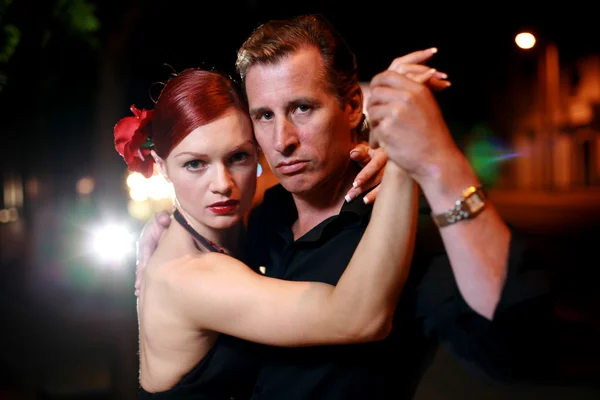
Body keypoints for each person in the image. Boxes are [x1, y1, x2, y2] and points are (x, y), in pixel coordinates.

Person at [137, 14, 554, 399]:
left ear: (353, 107)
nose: (282, 140)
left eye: (302, 108)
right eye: (264, 115)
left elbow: (518, 352)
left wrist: (418, 161)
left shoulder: (399, 237)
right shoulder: (262, 222)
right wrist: (166, 228)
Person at [115, 67, 436, 398]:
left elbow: (333, 101)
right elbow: (358, 319)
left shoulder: (235, 231)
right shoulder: (190, 276)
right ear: (162, 165)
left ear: (257, 150)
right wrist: (403, 160)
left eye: (238, 157)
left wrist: (387, 89)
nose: (223, 185)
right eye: (195, 164)